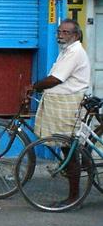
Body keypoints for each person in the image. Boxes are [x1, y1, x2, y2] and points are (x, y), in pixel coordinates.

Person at [30, 19, 91, 206]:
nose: (60, 35)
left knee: (69, 148)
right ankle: (85, 173)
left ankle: (74, 198)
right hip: (61, 103)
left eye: (65, 33)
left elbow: (56, 79)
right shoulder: (67, 51)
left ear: (76, 35)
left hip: (68, 104)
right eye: (59, 32)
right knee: (69, 148)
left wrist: (34, 86)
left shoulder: (75, 52)